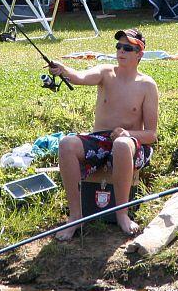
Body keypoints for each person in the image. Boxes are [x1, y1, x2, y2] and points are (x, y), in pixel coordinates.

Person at [48, 28, 159, 240]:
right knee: (66, 144)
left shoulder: (147, 85)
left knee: (121, 145)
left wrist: (127, 134)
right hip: (100, 140)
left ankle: (122, 214)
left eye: (128, 47)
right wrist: (63, 69)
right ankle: (75, 217)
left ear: (139, 54)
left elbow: (151, 134)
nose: (121, 51)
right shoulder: (105, 72)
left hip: (131, 144)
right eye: (118, 46)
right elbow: (79, 77)